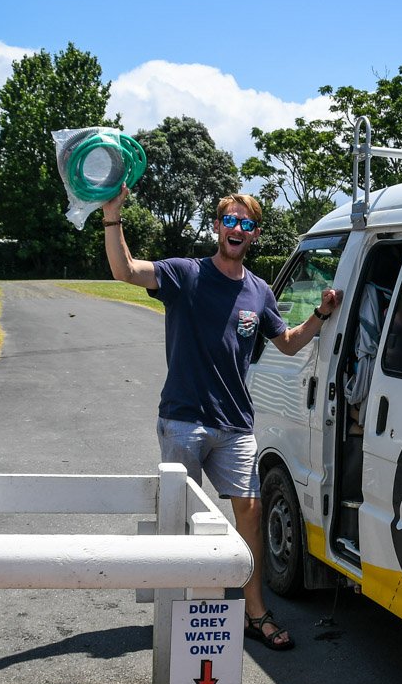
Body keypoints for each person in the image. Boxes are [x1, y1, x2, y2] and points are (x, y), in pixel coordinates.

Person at [101, 185, 341, 651]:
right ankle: (176, 613)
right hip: (183, 422)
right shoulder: (185, 274)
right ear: (216, 226)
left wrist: (320, 314)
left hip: (235, 426)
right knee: (179, 520)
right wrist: (113, 217)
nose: (237, 229)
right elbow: (125, 270)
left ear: (253, 235)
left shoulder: (259, 291)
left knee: (248, 514)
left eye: (247, 224)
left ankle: (256, 613)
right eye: (229, 220)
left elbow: (288, 342)